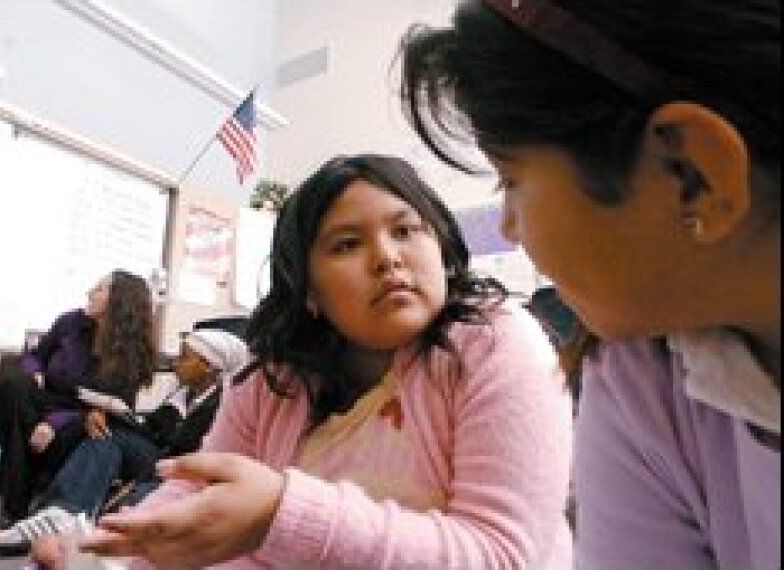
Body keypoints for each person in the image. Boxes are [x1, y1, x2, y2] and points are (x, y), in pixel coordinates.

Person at [32, 154, 573, 569]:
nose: (387, 256)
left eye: (406, 230)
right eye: (346, 245)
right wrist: (114, 549)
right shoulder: (272, 379)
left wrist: (281, 513)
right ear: (308, 291)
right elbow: (198, 489)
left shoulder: (496, 342)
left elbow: (504, 556)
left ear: (444, 253)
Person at [398, 1, 780, 568]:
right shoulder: (639, 378)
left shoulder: (499, 343)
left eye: (511, 180)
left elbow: (496, 546)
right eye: (342, 244)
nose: (507, 225)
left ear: (693, 175)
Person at [0, 329, 249, 556]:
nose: (176, 362)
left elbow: (191, 455)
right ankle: (60, 513)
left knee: (125, 508)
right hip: (158, 458)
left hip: (179, 472)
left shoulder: (223, 405)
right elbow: (152, 431)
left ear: (207, 366)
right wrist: (111, 413)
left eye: (184, 357)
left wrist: (136, 480)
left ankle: (68, 523)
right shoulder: (180, 395)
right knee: (106, 434)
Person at [0, 269, 157, 522]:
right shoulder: (70, 323)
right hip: (45, 401)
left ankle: (18, 510)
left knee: (75, 427)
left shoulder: (129, 356)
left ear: (119, 302)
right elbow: (35, 355)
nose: (90, 291)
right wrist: (34, 372)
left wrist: (53, 423)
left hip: (81, 419)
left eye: (100, 288)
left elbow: (110, 410)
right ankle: (17, 508)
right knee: (15, 386)